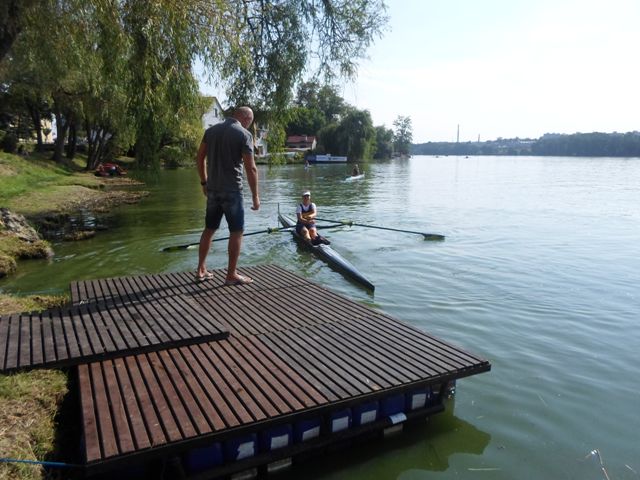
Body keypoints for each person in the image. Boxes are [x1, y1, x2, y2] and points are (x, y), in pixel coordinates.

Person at [196, 106, 260, 285]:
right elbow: (251, 168)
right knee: (236, 231)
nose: (249, 125)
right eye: (250, 122)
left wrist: (204, 182)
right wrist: (255, 196)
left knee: (209, 229)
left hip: (212, 190)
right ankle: (231, 275)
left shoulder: (210, 132)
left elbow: (199, 158)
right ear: (246, 119)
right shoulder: (244, 135)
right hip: (232, 190)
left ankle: (200, 270)